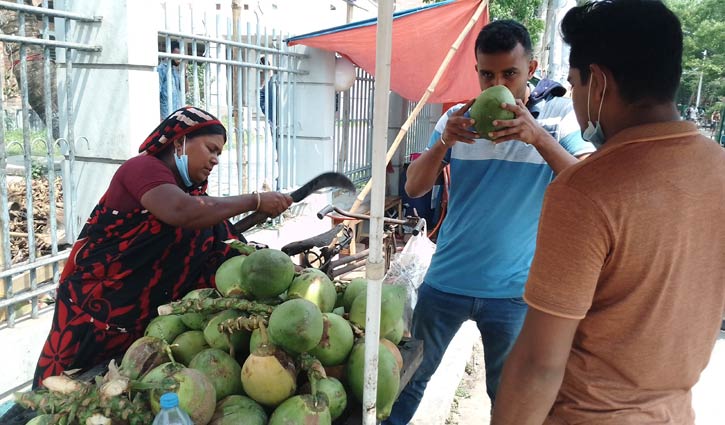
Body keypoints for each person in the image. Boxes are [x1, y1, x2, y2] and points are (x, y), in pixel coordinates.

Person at [491, 1, 725, 424]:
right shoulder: (719, 170)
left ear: (598, 83)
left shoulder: (588, 190)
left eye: (575, 85)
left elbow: (540, 365)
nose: (576, 99)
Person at [383, 20, 594, 424]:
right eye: (487, 74)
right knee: (408, 382)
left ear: (530, 69)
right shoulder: (458, 121)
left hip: (513, 293)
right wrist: (444, 142)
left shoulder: (556, 117)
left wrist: (538, 138)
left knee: (510, 396)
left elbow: (587, 185)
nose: (498, 83)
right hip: (445, 282)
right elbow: (413, 186)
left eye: (509, 73)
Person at [33, 106, 292, 387]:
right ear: (180, 140)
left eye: (219, 154)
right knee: (62, 391)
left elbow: (217, 239)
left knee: (117, 389)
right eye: (211, 148)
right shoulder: (142, 168)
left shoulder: (191, 194)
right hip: (92, 309)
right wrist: (254, 200)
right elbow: (179, 211)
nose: (215, 160)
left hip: (136, 320)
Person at [158, 41, 183, 120]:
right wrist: (159, 117)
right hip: (165, 116)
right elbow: (156, 94)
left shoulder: (175, 70)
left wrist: (184, 73)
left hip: (176, 114)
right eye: (177, 55)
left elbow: (184, 90)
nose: (179, 58)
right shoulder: (161, 69)